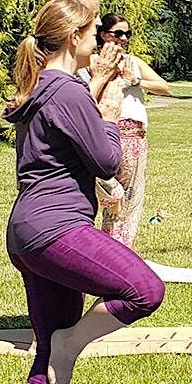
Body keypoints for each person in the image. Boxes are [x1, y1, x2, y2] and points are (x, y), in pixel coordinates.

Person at [4, 0, 165, 384]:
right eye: (95, 30)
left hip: (26, 231)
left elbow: (73, 127)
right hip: (56, 227)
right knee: (144, 291)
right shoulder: (66, 92)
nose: (99, 38)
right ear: (74, 38)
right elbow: (109, 161)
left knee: (45, 345)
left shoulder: (41, 87)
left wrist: (93, 93)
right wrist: (111, 116)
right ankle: (73, 342)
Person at [80, 13, 171, 248]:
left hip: (135, 136)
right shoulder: (91, 63)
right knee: (112, 195)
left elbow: (164, 87)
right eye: (117, 33)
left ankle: (117, 250)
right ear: (102, 34)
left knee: (129, 202)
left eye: (127, 34)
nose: (123, 38)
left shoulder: (133, 62)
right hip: (106, 133)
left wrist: (135, 82)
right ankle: (109, 252)